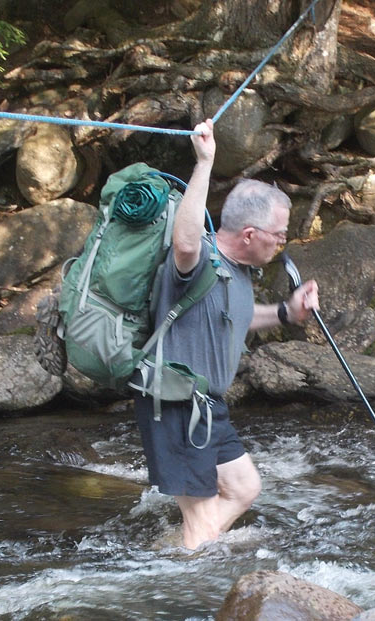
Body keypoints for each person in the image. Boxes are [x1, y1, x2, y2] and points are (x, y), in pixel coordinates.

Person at [135, 118, 319, 550]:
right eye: (279, 235)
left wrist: (286, 313)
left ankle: (173, 552)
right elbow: (184, 244)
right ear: (251, 234)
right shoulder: (199, 260)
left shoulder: (239, 274)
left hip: (206, 406)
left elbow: (237, 318)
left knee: (243, 487)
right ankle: (185, 562)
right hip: (177, 404)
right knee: (201, 525)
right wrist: (205, 163)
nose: (282, 243)